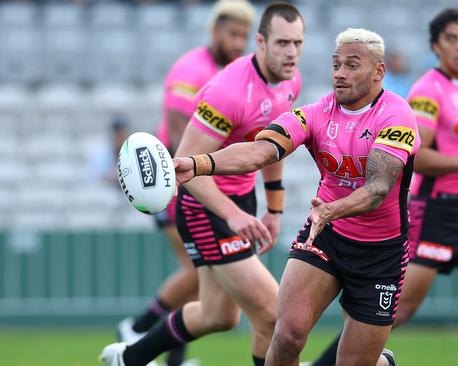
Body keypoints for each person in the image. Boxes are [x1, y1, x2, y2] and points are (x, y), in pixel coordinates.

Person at [174, 27, 420, 366]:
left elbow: (377, 190)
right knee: (286, 334)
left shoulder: (396, 115)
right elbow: (260, 152)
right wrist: (199, 163)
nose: (340, 74)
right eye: (336, 65)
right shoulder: (317, 113)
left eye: (351, 65)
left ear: (379, 71)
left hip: (381, 252)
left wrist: (332, 209)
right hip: (325, 236)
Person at [309, 10, 458, 366]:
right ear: (436, 46)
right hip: (434, 211)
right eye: (451, 38)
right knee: (397, 310)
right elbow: (418, 158)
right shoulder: (427, 92)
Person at [100, 3, 304, 366]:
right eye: (282, 43)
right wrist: (231, 215)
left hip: (241, 202)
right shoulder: (228, 91)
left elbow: (273, 147)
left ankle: (129, 357)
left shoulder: (291, 81)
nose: (291, 53)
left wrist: (274, 208)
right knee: (275, 314)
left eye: (298, 43)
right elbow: (185, 170)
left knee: (217, 316)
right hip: (206, 208)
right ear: (261, 42)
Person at [115, 2, 255, 366]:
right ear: (215, 32)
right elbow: (180, 138)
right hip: (175, 183)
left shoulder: (232, 73)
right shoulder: (192, 69)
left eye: (244, 35)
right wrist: (198, 179)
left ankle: (164, 351)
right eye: (232, 34)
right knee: (197, 272)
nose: (239, 42)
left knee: (198, 276)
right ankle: (139, 328)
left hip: (199, 179)